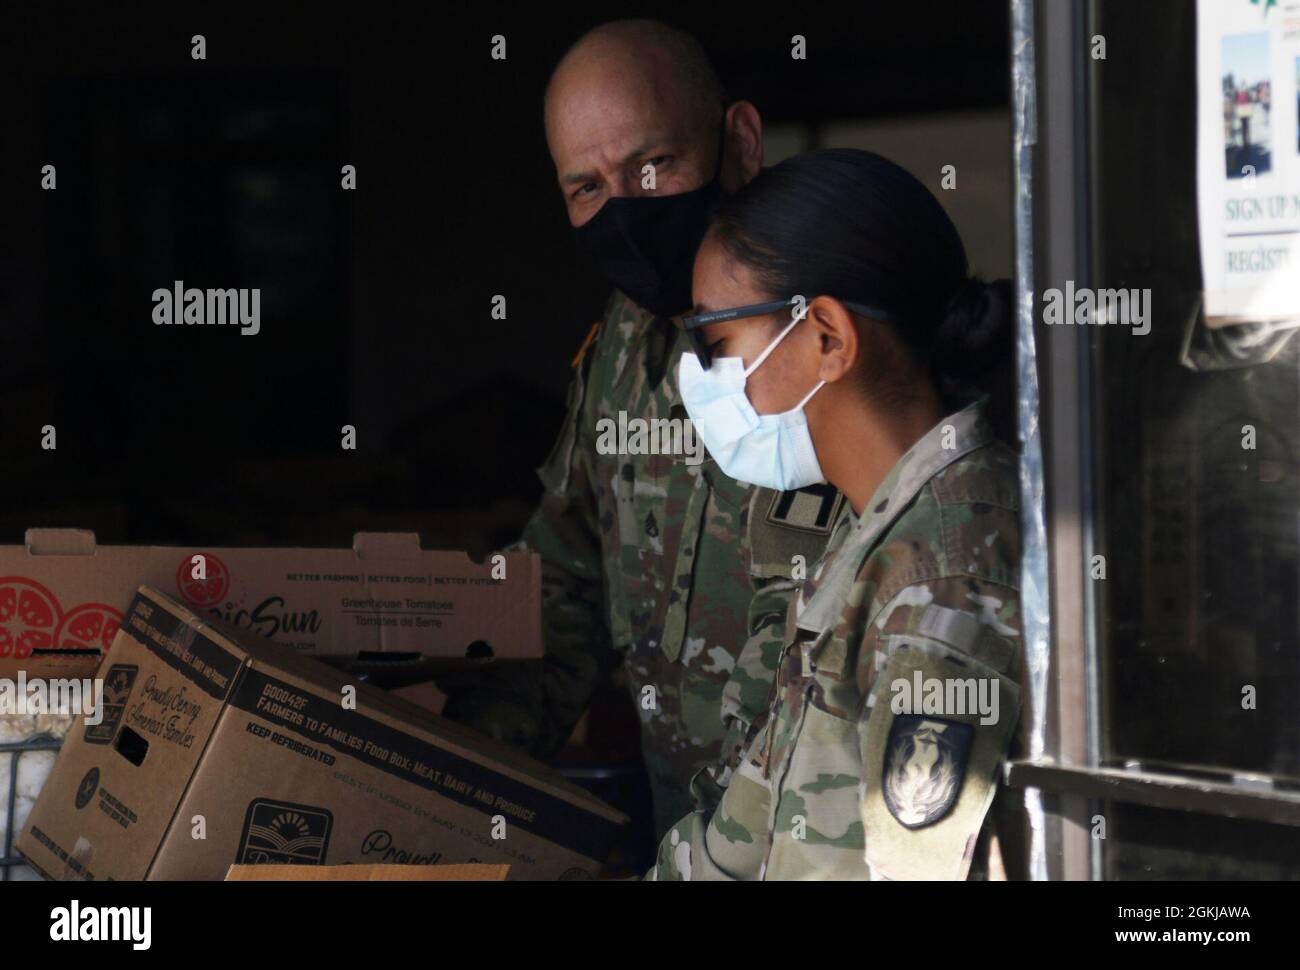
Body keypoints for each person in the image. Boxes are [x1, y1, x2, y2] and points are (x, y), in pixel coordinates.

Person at [438, 20, 845, 840]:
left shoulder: (837, 346)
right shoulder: (627, 341)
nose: (622, 212)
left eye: (651, 166)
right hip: (680, 839)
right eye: (587, 188)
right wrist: (442, 774)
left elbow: (855, 647)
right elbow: (567, 572)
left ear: (737, 143)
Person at [648, 148, 1024, 880]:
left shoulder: (942, 582)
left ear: (826, 336)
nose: (698, 377)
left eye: (714, 341)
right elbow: (744, 838)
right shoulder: (878, 536)